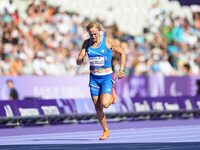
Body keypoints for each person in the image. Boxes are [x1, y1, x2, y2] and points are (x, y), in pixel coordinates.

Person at [76, 21, 126, 140]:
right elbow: (78, 61)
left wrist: (122, 70)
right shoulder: (86, 43)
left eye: (95, 34)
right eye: (91, 34)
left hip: (106, 77)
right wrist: (81, 59)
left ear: (99, 31)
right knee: (97, 106)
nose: (93, 37)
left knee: (105, 103)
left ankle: (112, 95)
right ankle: (105, 130)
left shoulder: (107, 41)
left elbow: (122, 52)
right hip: (93, 78)